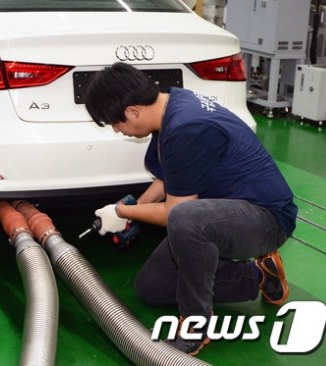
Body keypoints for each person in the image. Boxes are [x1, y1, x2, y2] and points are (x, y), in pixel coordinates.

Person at [84, 62, 298, 356]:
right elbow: (168, 177)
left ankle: (196, 326)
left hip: (267, 218)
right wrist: (133, 207)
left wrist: (122, 213)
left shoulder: (187, 127)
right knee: (152, 288)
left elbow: (175, 210)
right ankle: (259, 275)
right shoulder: (170, 106)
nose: (118, 131)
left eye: (116, 123)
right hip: (226, 213)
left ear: (133, 111)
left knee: (186, 219)